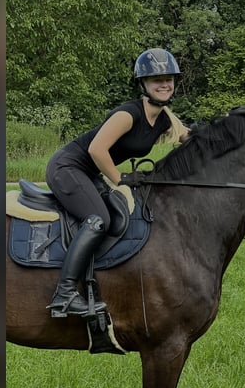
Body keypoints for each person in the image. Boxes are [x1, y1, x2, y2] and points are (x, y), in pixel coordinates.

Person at [45, 48, 190, 319]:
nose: (164, 84)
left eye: (168, 78)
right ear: (143, 83)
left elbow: (190, 138)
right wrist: (120, 179)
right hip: (68, 167)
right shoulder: (128, 114)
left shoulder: (164, 118)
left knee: (117, 214)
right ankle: (64, 295)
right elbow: (97, 149)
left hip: (88, 172)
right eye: (156, 78)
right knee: (97, 219)